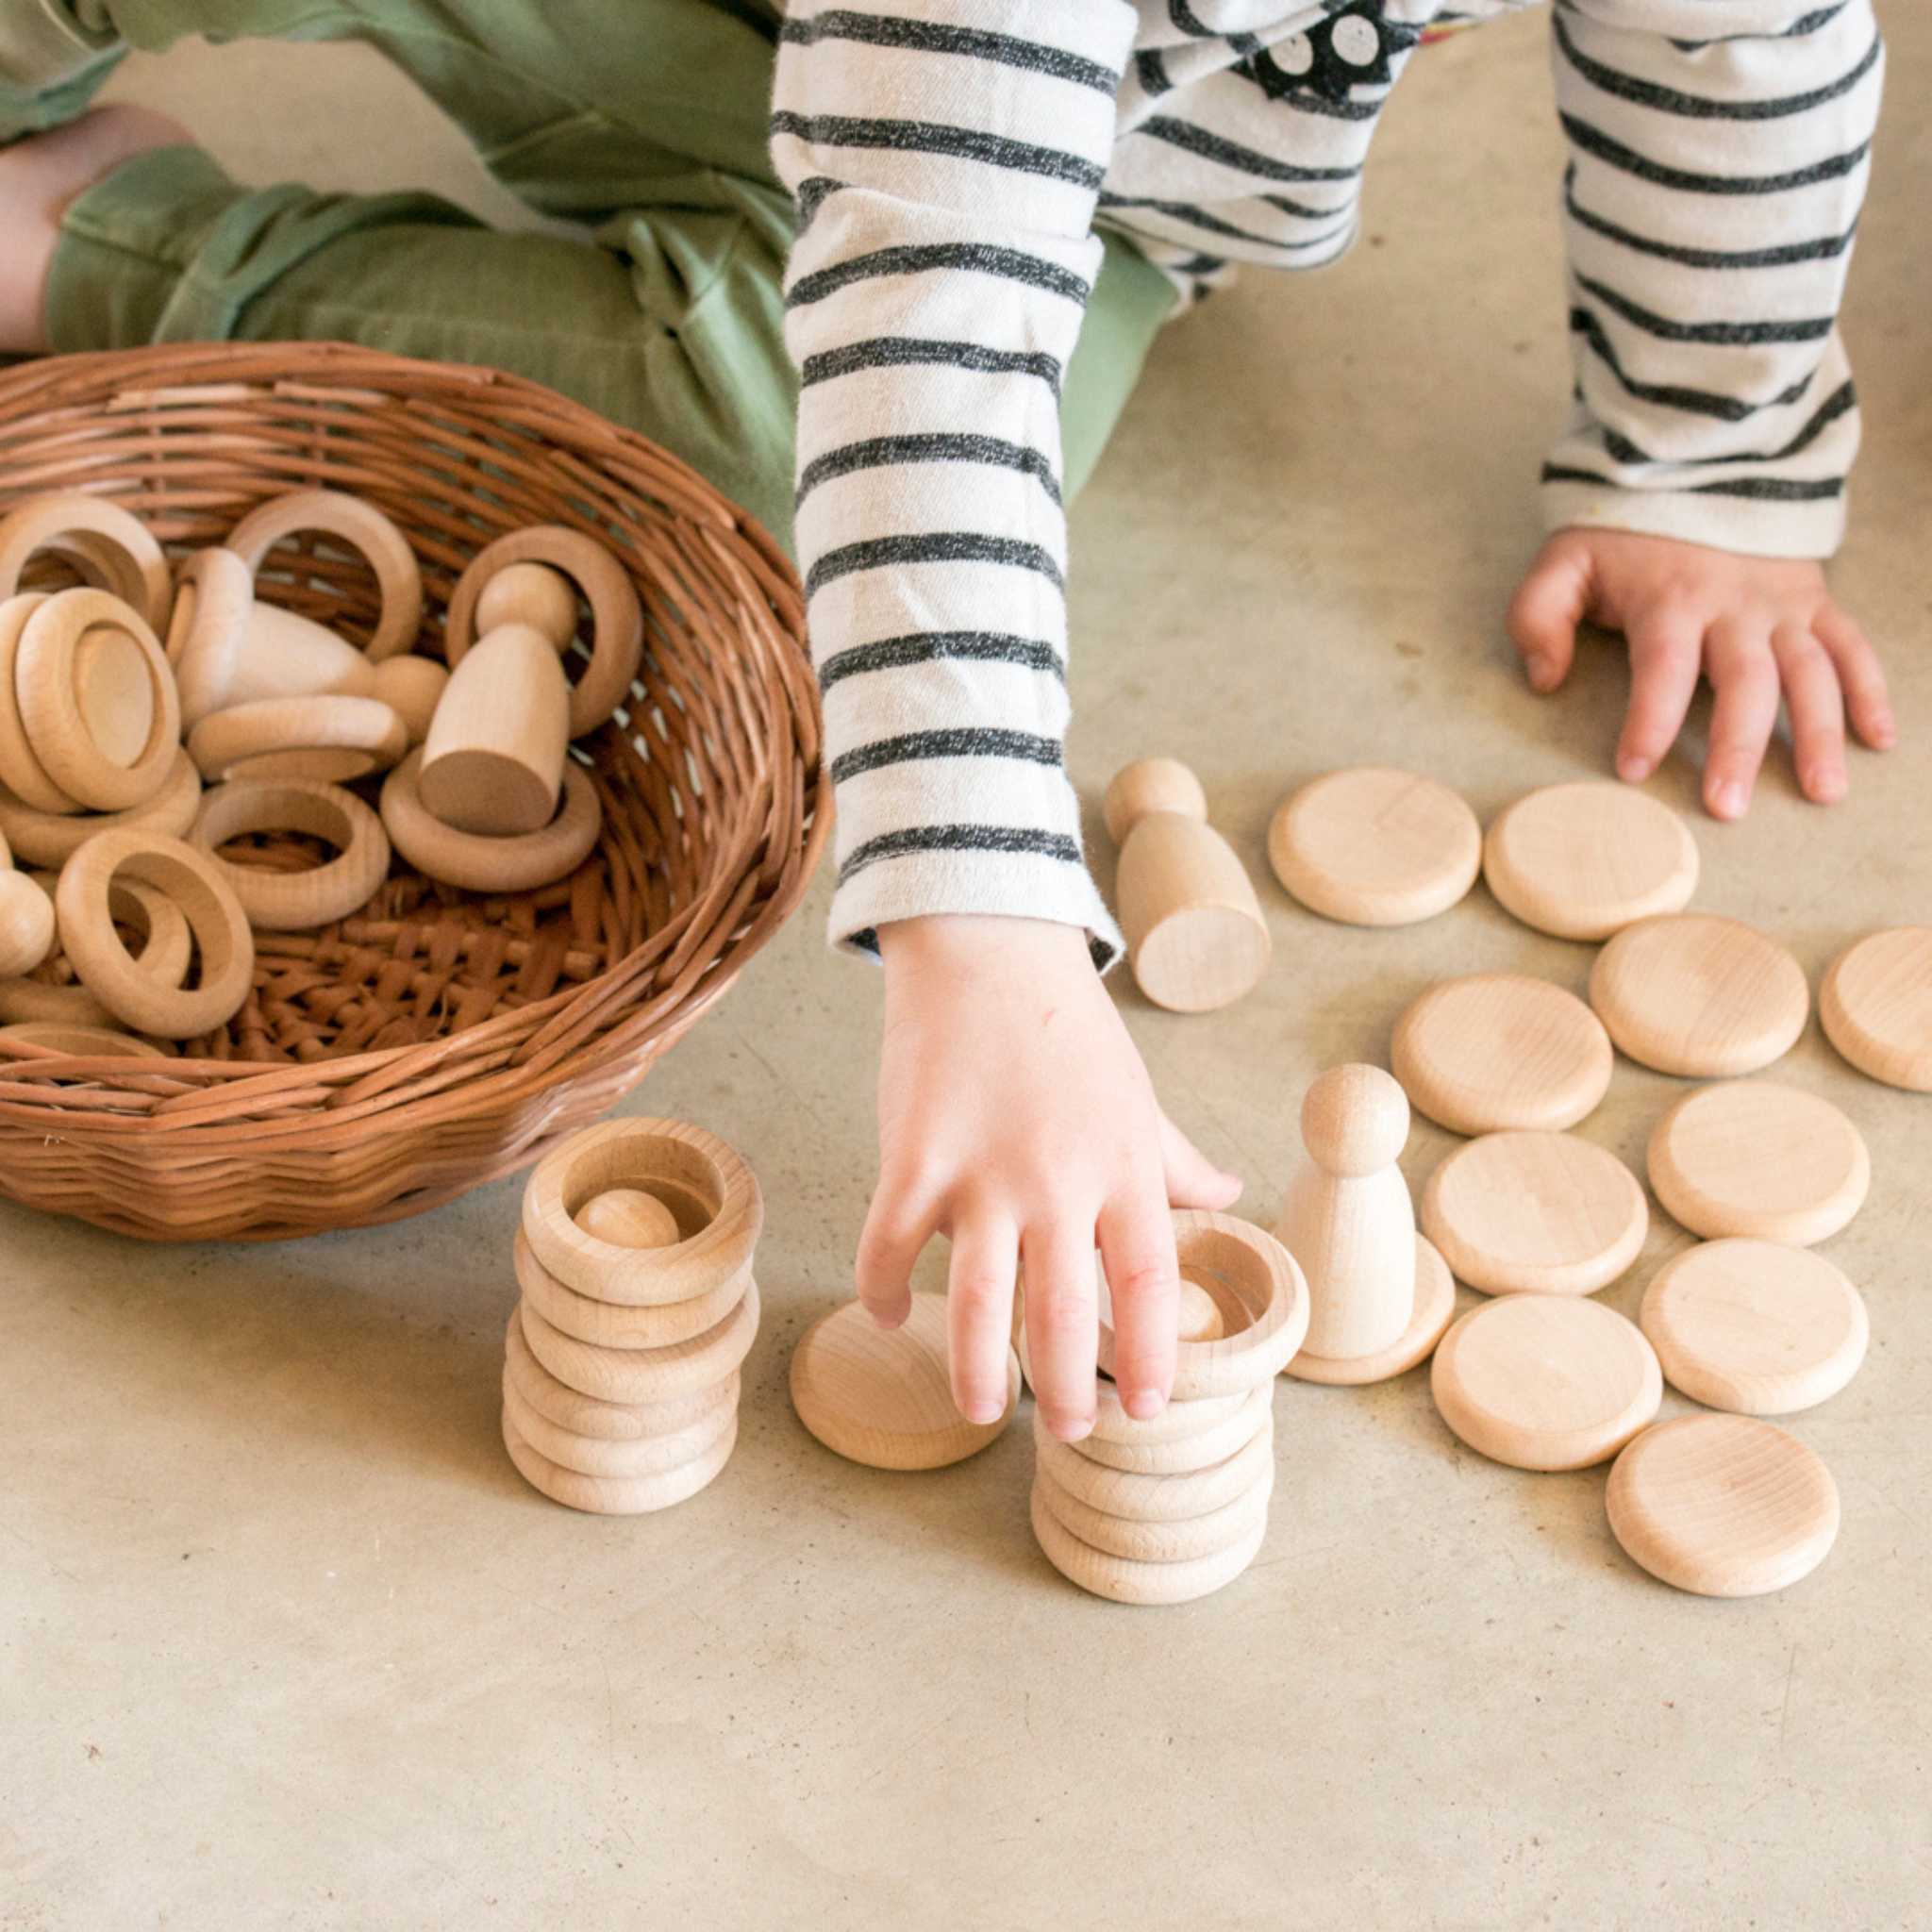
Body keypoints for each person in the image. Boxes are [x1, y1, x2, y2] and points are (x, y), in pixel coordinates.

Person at [1, 1, 1894, 1447]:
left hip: (1082, 150)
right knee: (895, 375)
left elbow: (1743, 38)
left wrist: (1707, 462)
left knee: (779, 463)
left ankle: (92, 233)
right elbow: (933, 287)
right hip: (809, 70)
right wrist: (985, 935)